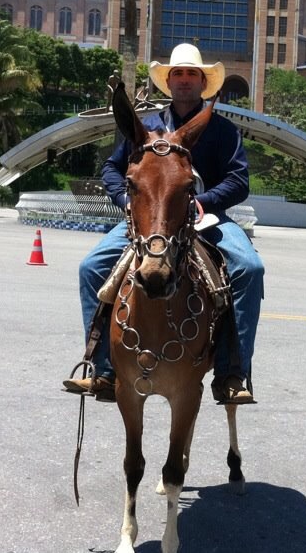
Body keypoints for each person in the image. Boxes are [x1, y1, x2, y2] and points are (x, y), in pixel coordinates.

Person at [63, 43, 264, 405]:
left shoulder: (222, 130)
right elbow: (113, 168)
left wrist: (202, 201)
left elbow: (239, 180)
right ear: (168, 82)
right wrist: (128, 201)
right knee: (91, 267)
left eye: (192, 74)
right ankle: (104, 371)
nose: (185, 80)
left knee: (250, 268)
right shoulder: (146, 127)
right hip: (149, 221)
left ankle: (232, 371)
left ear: (204, 83)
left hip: (207, 219)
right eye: (178, 74)